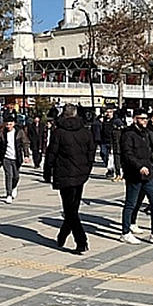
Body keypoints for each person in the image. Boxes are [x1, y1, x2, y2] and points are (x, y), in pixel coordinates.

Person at [44, 104, 95, 254]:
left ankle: (81, 240)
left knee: (70, 210)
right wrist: (88, 168)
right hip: (80, 174)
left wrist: (48, 172)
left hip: (64, 173)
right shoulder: (86, 132)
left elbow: (51, 153)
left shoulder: (58, 132)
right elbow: (91, 152)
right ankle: (63, 233)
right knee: (72, 208)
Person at [119, 108, 153, 245]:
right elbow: (127, 155)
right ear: (135, 119)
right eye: (141, 118)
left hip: (148, 174)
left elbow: (152, 151)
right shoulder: (128, 134)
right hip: (134, 175)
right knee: (131, 203)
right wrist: (139, 166)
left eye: (146, 118)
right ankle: (125, 232)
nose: (144, 121)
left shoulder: (146, 133)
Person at [0, 114, 30, 204]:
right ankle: (9, 194)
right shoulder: (2, 134)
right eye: (7, 124)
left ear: (14, 124)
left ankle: (14, 187)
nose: (8, 126)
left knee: (16, 176)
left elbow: (25, 143)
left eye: (10, 124)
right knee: (8, 175)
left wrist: (26, 155)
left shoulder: (19, 132)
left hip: (16, 157)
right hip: (6, 157)